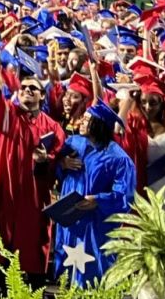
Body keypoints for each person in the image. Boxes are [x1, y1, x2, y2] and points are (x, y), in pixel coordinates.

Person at [0, 65, 64, 280]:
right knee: (5, 244)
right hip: (8, 192)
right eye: (23, 87)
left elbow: (57, 159)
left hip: (35, 196)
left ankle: (34, 294)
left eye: (33, 88)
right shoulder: (11, 115)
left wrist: (43, 161)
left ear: (42, 95)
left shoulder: (52, 126)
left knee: (33, 244)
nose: (27, 90)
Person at [52, 102, 136, 286]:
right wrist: (62, 163)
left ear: (99, 125)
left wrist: (98, 200)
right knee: (67, 271)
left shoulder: (119, 159)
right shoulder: (73, 143)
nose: (81, 122)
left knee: (93, 272)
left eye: (87, 120)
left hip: (95, 225)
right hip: (70, 220)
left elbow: (125, 195)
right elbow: (54, 167)